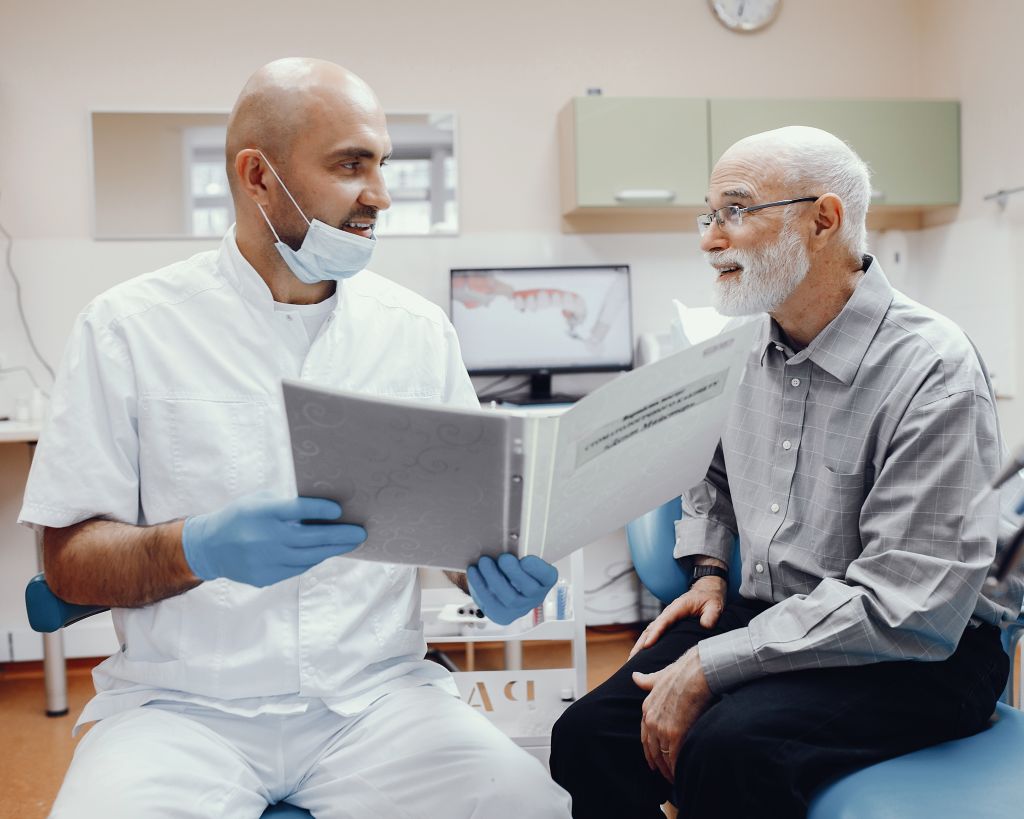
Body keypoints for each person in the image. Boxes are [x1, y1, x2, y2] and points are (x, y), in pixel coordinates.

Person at [20, 58, 569, 818]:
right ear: (257, 176)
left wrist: (487, 574)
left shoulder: (415, 333)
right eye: (350, 165)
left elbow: (453, 537)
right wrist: (196, 546)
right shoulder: (126, 329)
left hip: (378, 702)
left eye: (381, 165)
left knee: (532, 807)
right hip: (181, 710)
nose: (378, 194)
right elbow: (68, 562)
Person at [549, 126, 1013, 819]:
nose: (710, 238)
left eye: (736, 210)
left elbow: (907, 604)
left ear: (823, 220)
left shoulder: (932, 368)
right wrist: (709, 566)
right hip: (776, 613)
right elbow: (707, 470)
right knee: (586, 736)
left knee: (731, 751)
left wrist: (711, 664)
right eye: (708, 215)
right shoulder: (740, 348)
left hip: (919, 650)